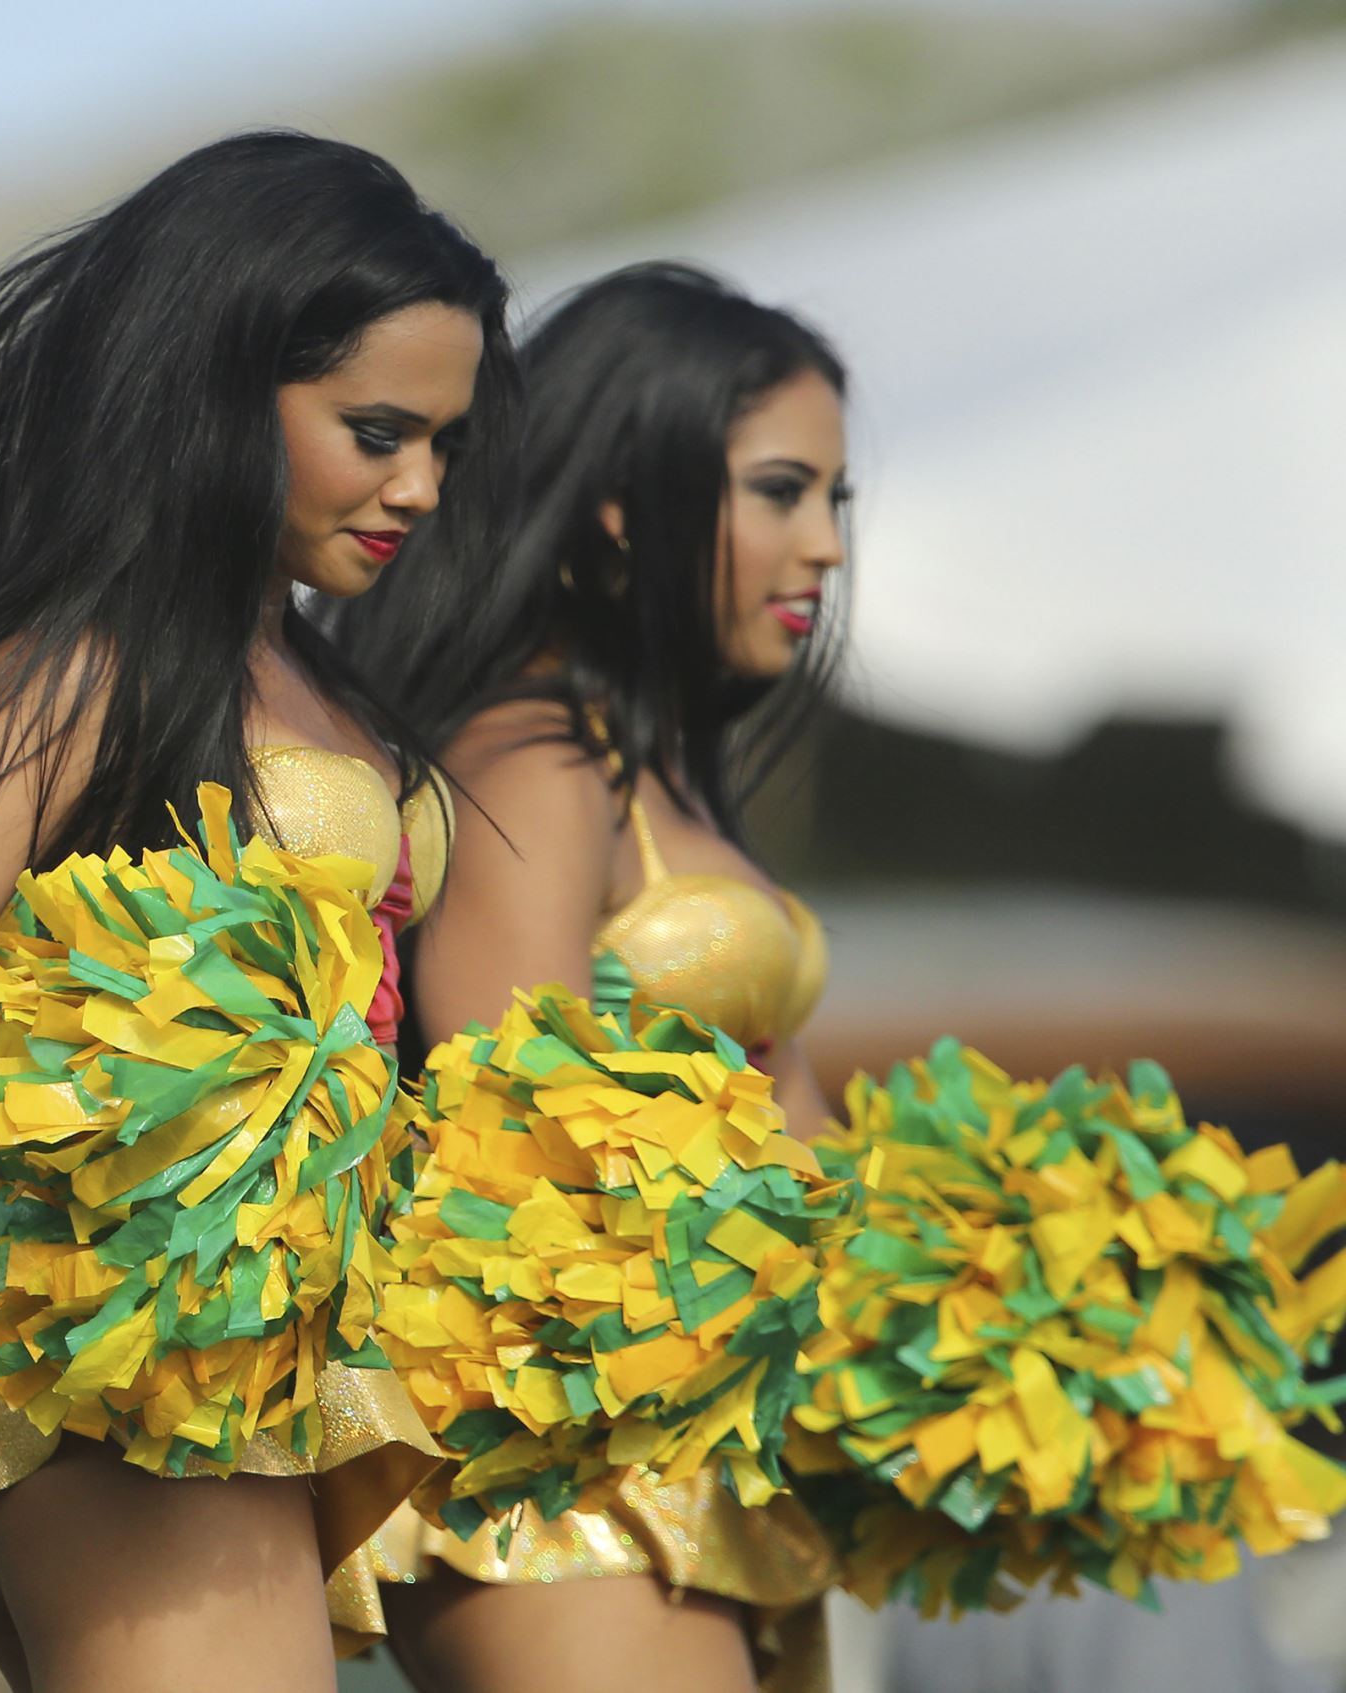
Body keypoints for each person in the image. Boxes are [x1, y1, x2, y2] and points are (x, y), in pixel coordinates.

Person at [0, 132, 520, 1693]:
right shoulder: (78, 668)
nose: (420, 487)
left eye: (445, 443)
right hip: (110, 1331)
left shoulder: (319, 674)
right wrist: (119, 1145)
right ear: (225, 394)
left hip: (277, 1335)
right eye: (378, 431)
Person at [326, 260, 853, 1693]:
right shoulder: (535, 763)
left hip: (679, 1438)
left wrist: (960, 1316)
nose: (823, 547)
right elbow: (518, 1134)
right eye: (782, 491)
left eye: (836, 502)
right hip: (555, 1463)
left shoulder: (655, 769)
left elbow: (791, 1122)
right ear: (626, 499)